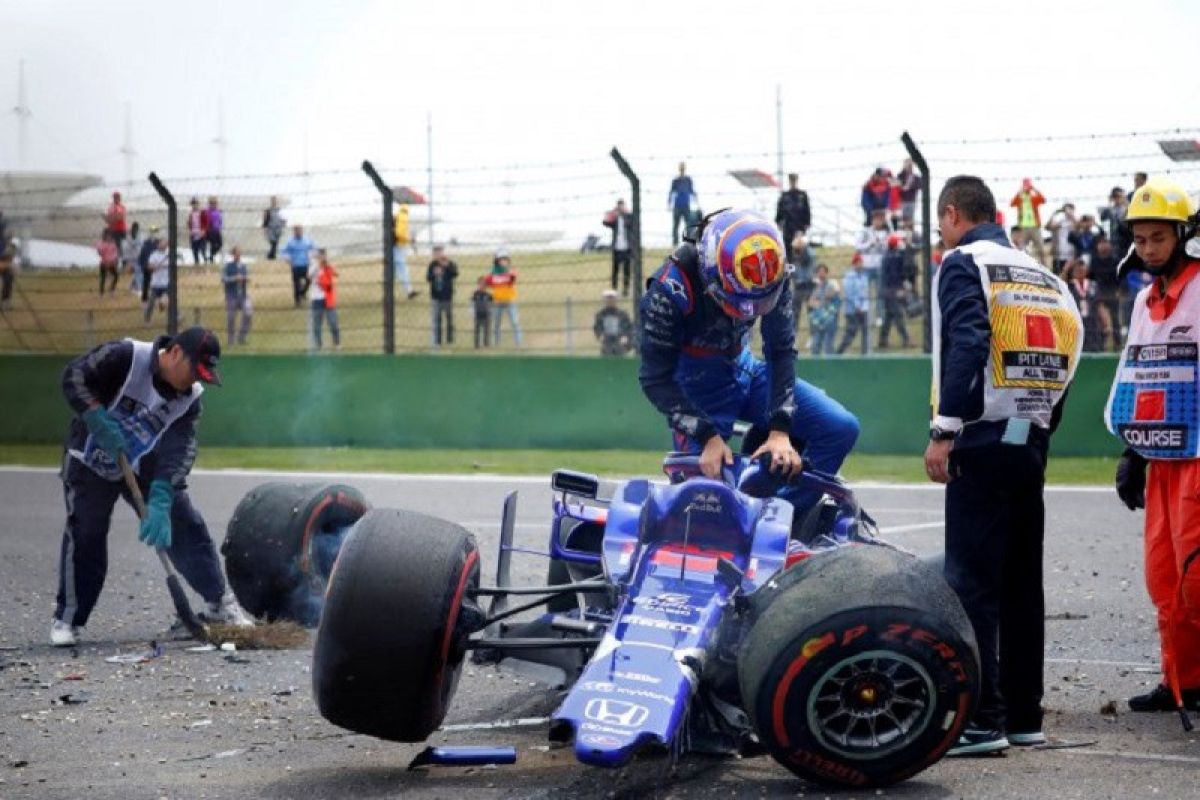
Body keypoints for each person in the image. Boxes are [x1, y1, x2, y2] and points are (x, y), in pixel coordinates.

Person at [926, 175, 1083, 756]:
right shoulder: (1045, 276)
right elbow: (1072, 352)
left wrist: (946, 428)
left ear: (951, 215)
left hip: (981, 438)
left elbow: (968, 341)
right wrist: (1041, 428)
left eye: (940, 225)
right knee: (1022, 585)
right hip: (1031, 441)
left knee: (971, 584)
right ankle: (1024, 716)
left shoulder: (964, 263)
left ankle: (980, 721)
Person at [638, 208, 859, 516]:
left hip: (746, 370)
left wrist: (780, 430)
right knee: (706, 506)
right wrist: (707, 436)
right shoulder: (669, 291)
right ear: (711, 273)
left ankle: (787, 516)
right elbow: (655, 379)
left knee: (840, 428)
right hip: (696, 394)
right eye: (739, 303)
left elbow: (780, 351)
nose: (748, 311)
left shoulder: (771, 272)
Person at [50, 327, 253, 647]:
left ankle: (220, 604)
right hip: (90, 457)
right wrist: (95, 415)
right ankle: (68, 619)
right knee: (86, 532)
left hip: (142, 462)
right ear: (174, 353)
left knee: (184, 523)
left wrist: (161, 496)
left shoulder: (189, 400)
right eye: (193, 370)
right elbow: (74, 375)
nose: (193, 381)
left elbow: (179, 451)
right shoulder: (125, 357)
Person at [1103, 178, 1200, 717]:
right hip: (1162, 455)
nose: (1148, 249)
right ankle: (1182, 681)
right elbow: (1138, 377)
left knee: (1197, 573)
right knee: (1165, 575)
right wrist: (1132, 453)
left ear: (1184, 235)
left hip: (1199, 454)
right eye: (1140, 240)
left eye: (1158, 237)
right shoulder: (1144, 298)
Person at [855, 209, 889, 322]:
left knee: (880, 293)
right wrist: (870, 243)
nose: (879, 222)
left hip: (879, 266)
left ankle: (879, 316)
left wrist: (881, 243)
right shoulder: (865, 232)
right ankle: (866, 316)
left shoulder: (886, 233)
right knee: (865, 292)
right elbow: (858, 246)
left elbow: (888, 248)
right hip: (866, 266)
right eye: (877, 219)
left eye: (881, 219)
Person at [878, 234, 912, 349]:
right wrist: (900, 288)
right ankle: (906, 339)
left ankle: (882, 340)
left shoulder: (887, 255)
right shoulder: (895, 256)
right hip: (893, 290)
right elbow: (896, 274)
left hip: (886, 290)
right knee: (898, 315)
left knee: (889, 316)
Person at [1088, 237, 1121, 351]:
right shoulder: (1094, 260)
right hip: (1098, 294)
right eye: (1101, 243)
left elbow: (1119, 278)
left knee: (1115, 320)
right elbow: (1091, 277)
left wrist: (1118, 290)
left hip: (1112, 293)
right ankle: (1101, 345)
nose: (1104, 245)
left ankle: (1118, 345)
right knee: (1100, 320)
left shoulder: (1115, 260)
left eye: (1106, 242)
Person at [836, 253, 870, 355]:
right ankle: (839, 352)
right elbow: (849, 293)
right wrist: (857, 305)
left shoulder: (864, 277)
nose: (861, 265)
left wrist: (864, 305)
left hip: (863, 308)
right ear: (854, 264)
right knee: (851, 332)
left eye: (861, 262)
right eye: (859, 263)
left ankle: (865, 353)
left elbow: (865, 292)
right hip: (852, 310)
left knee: (865, 331)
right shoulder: (849, 277)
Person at [486, 248, 521, 346]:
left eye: (506, 259)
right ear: (497, 261)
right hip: (497, 301)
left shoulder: (510, 272)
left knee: (515, 322)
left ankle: (518, 342)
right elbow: (488, 282)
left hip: (510, 300)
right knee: (496, 323)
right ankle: (496, 342)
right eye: (502, 259)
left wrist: (512, 275)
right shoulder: (492, 274)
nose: (504, 261)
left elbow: (512, 280)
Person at [1009, 179, 1048, 266]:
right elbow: (1012, 204)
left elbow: (1043, 200)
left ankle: (1045, 267)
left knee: (1040, 249)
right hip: (1023, 228)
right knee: (1021, 249)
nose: (1026, 189)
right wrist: (1019, 192)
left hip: (1035, 227)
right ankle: (1021, 265)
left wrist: (1035, 189)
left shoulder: (1033, 198)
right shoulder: (1020, 198)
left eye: (1028, 186)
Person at [774, 173, 811, 264]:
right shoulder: (785, 196)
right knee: (787, 252)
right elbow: (779, 212)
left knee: (801, 252)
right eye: (791, 180)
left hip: (799, 228)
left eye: (794, 180)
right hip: (788, 228)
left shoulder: (802, 195)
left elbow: (807, 211)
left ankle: (799, 269)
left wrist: (806, 225)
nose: (793, 182)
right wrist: (778, 223)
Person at [426, 244, 458, 347]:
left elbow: (455, 273)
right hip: (436, 297)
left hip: (447, 296)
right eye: (435, 253)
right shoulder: (432, 265)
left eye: (439, 252)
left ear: (443, 253)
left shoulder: (449, 263)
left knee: (449, 317)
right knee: (437, 318)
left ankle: (450, 338)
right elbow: (428, 278)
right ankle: (437, 340)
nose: (438, 255)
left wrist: (446, 266)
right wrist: (434, 274)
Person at [1065, 258, 1100, 351]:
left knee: (1094, 349)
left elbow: (1100, 305)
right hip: (1076, 323)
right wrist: (1065, 269)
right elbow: (1058, 284)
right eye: (1077, 269)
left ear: (1087, 270)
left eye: (1082, 267)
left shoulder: (1093, 285)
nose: (1080, 270)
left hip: (1092, 323)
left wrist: (1106, 323)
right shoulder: (1068, 286)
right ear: (1072, 272)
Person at [308, 249, 340, 350]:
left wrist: (327, 265)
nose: (323, 258)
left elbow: (336, 274)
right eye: (321, 256)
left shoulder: (327, 267)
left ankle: (336, 342)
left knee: (333, 322)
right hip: (316, 298)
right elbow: (308, 275)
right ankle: (319, 344)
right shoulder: (314, 266)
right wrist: (318, 265)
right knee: (317, 323)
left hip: (328, 298)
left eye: (324, 256)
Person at [603, 199, 636, 296]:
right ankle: (614, 290)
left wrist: (626, 212)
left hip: (627, 249)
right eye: (619, 206)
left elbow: (634, 222)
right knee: (615, 271)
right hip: (616, 249)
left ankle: (625, 290)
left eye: (622, 206)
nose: (620, 208)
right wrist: (613, 212)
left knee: (626, 271)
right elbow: (605, 222)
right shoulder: (615, 219)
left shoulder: (628, 217)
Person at [806, 263, 840, 357]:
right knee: (816, 345)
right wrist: (819, 302)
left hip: (830, 319)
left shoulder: (832, 284)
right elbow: (811, 302)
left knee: (828, 346)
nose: (821, 274)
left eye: (823, 272)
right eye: (819, 272)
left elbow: (833, 295)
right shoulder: (815, 287)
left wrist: (820, 302)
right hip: (818, 320)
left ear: (826, 273)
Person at [221, 246, 252, 346]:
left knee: (248, 313)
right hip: (231, 296)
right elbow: (224, 279)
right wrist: (234, 278)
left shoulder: (243, 266)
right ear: (233, 254)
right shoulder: (228, 266)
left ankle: (242, 336)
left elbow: (248, 277)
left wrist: (245, 278)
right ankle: (231, 339)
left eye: (239, 253)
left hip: (243, 295)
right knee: (231, 317)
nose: (238, 255)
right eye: (236, 253)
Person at [280, 225, 316, 307]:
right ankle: (297, 301)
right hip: (295, 265)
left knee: (309, 280)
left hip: (306, 264)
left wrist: (312, 256)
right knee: (296, 284)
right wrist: (287, 258)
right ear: (294, 232)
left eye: (300, 230)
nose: (298, 232)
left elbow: (314, 248)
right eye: (297, 231)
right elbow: (283, 252)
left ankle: (302, 292)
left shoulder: (307, 240)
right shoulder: (290, 242)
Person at [594, 289, 634, 356]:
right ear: (604, 300)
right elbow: (597, 327)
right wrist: (600, 335)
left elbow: (629, 327)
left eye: (612, 298)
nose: (610, 301)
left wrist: (626, 336)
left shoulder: (623, 314)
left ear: (615, 300)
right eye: (608, 298)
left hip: (619, 341)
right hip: (607, 342)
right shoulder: (600, 314)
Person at [790, 234, 816, 331]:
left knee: (812, 312)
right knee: (795, 313)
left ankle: (814, 334)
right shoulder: (794, 255)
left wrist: (803, 246)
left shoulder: (809, 253)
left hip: (809, 286)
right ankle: (793, 335)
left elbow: (810, 257)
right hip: (798, 287)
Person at [393, 202, 419, 300]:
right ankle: (409, 291)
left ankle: (388, 293)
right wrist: (409, 239)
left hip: (393, 246)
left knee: (393, 271)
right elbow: (399, 233)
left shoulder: (397, 216)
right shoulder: (403, 217)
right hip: (398, 246)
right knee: (403, 270)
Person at [668, 162, 696, 246]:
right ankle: (675, 242)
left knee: (688, 224)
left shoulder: (688, 180)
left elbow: (691, 190)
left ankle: (688, 242)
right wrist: (669, 202)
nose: (682, 168)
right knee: (676, 225)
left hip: (686, 204)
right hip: (677, 205)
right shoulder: (676, 180)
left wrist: (696, 201)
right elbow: (671, 192)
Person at [144, 239, 170, 324]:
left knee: (166, 302)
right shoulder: (153, 255)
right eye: (162, 243)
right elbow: (150, 267)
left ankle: (174, 316)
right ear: (158, 245)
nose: (164, 245)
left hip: (165, 284)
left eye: (165, 244)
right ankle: (147, 319)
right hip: (156, 284)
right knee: (151, 303)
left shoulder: (168, 255)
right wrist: (156, 266)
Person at [1100, 186, 1131, 257]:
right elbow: (1104, 226)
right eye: (1115, 197)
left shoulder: (1128, 210)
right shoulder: (1107, 211)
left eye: (1119, 196)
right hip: (1113, 244)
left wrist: (1127, 205)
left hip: (1126, 243)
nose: (1117, 199)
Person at [1047, 203, 1077, 275]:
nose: (1068, 211)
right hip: (1059, 256)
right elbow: (1048, 227)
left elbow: (1079, 226)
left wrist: (1072, 217)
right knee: (1057, 275)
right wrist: (1054, 214)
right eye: (1067, 209)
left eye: (1070, 209)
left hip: (1071, 256)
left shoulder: (1075, 222)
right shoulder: (1060, 221)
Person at [470, 276, 493, 349]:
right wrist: (472, 312)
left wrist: (491, 312)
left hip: (486, 314)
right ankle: (476, 344)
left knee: (486, 329)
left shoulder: (488, 295)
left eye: (483, 284)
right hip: (478, 314)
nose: (482, 286)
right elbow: (472, 303)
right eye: (480, 284)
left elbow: (491, 304)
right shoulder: (475, 294)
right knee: (477, 329)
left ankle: (486, 343)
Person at [897, 158, 921, 226]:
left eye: (910, 165)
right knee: (903, 219)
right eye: (907, 164)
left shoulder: (915, 177)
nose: (909, 166)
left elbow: (920, 185)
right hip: (902, 201)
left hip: (912, 200)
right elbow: (898, 184)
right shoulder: (901, 176)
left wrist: (910, 186)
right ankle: (904, 230)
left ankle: (910, 230)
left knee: (910, 219)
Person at [122, 221, 144, 293]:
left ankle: (132, 286)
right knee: (138, 271)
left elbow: (140, 244)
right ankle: (139, 287)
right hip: (130, 257)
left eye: (136, 228)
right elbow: (130, 244)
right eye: (134, 228)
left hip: (138, 256)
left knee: (138, 271)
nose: (135, 230)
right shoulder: (128, 236)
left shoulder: (139, 235)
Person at [262, 196, 286, 260]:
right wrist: (265, 229)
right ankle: (270, 256)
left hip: (278, 230)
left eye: (275, 200)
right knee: (273, 243)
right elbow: (265, 221)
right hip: (271, 229)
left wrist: (283, 225)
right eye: (273, 201)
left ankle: (272, 256)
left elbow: (283, 219)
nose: (274, 202)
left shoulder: (279, 210)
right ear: (271, 202)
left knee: (276, 243)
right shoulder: (268, 210)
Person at [96, 230, 120, 295]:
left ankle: (112, 289)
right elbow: (100, 252)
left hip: (111, 263)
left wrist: (114, 260)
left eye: (110, 236)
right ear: (104, 236)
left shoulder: (113, 244)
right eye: (107, 235)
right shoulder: (101, 243)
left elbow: (115, 253)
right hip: (104, 263)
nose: (108, 237)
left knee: (116, 276)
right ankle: (101, 292)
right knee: (103, 278)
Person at [104, 191, 128, 256]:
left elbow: (121, 217)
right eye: (115, 197)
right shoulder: (110, 207)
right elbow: (107, 219)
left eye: (118, 197)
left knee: (123, 246)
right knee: (115, 246)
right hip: (114, 230)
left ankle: (122, 259)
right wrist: (114, 217)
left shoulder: (122, 207)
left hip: (121, 229)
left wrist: (112, 218)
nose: (117, 199)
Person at [187, 197, 208, 265]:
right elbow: (189, 223)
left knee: (203, 250)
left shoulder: (202, 212)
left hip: (201, 233)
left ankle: (205, 262)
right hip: (194, 234)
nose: (194, 205)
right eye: (193, 204)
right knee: (195, 250)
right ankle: (196, 263)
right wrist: (190, 230)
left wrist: (204, 231)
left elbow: (206, 222)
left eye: (196, 204)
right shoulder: (190, 213)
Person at [205, 197, 224, 263]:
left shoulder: (218, 211)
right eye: (212, 203)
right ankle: (211, 258)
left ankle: (211, 256)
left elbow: (220, 219)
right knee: (213, 245)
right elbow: (207, 220)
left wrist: (220, 225)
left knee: (220, 244)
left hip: (217, 230)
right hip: (211, 231)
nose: (213, 205)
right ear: (209, 204)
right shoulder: (207, 211)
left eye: (215, 203)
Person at [0, 234, 15, 312]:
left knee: (8, 282)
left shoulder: (12, 247)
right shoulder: (3, 245)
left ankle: (6, 303)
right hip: (3, 265)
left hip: (5, 267)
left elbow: (10, 259)